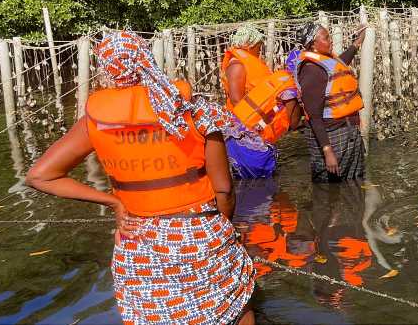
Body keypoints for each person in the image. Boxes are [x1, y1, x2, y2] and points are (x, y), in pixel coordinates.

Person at [26, 31, 256, 325]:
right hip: (201, 234)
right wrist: (223, 233)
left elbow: (40, 176)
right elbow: (224, 190)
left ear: (106, 68)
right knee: (237, 300)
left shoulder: (96, 120)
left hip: (138, 244)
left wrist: (113, 202)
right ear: (146, 58)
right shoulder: (192, 109)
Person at [221, 25, 301, 179]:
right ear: (249, 45)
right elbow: (237, 101)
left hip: (256, 125)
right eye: (258, 46)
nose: (260, 50)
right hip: (243, 129)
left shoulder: (248, 63)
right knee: (251, 176)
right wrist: (258, 120)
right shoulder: (237, 65)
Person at [294, 22, 366, 182]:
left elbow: (339, 64)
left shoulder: (325, 61)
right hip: (332, 137)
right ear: (313, 45)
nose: (331, 40)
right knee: (329, 188)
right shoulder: (311, 70)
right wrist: (327, 151)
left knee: (353, 184)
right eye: (326, 38)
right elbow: (314, 116)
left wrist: (357, 42)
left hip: (346, 132)